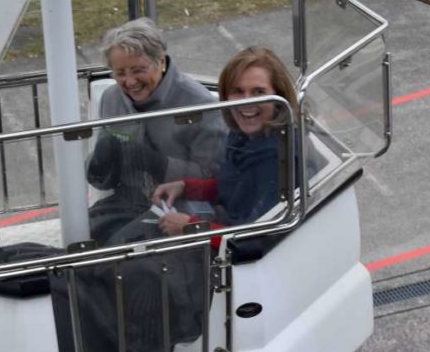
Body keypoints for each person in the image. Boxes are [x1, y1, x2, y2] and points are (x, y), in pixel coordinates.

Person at [151, 47, 316, 247]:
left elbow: (255, 238)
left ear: (278, 97)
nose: (248, 102)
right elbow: (235, 187)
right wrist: (187, 187)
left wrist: (190, 227)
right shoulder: (245, 135)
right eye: (238, 91)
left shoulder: (280, 157)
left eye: (259, 92)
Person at [85, 18, 225, 245]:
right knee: (86, 238)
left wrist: (156, 163)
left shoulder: (198, 103)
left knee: (120, 248)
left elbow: (215, 176)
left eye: (138, 70)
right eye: (120, 73)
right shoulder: (112, 99)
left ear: (160, 61)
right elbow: (103, 181)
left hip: (180, 205)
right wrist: (99, 167)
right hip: (128, 201)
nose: (130, 82)